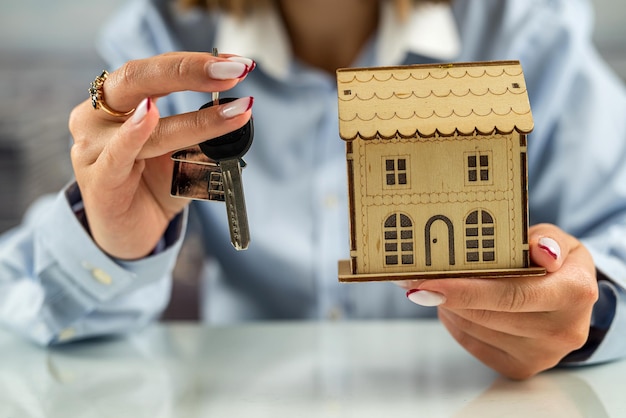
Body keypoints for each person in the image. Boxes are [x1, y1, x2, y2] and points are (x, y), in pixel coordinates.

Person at [1, 0, 625, 380]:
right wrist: (110, 248)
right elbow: (22, 297)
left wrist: (588, 313)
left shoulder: (529, 32)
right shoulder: (157, 41)